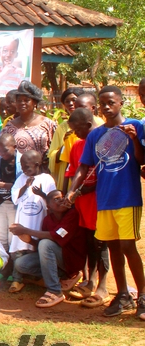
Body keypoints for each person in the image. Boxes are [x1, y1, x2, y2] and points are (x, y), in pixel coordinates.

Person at [67, 86, 145, 319]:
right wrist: (73, 190)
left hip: (127, 197)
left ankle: (142, 296)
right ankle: (122, 295)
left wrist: (134, 139)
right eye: (103, 104)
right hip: (105, 199)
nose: (107, 107)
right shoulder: (95, 135)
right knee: (112, 248)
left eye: (111, 102)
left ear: (121, 103)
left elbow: (142, 160)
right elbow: (84, 166)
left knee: (128, 247)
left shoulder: (136, 126)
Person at [63, 108, 109, 307]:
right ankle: (90, 280)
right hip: (83, 206)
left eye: (77, 130)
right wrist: (70, 194)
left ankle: (103, 286)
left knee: (102, 243)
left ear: (88, 126)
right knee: (89, 242)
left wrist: (80, 192)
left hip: (100, 203)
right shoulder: (78, 146)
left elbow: (104, 178)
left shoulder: (106, 143)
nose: (75, 134)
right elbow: (75, 173)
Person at [10, 190, 86, 308]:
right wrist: (29, 240)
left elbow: (57, 235)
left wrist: (26, 230)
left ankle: (55, 291)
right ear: (48, 205)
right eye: (56, 198)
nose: (61, 200)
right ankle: (62, 278)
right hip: (57, 259)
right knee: (20, 264)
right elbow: (41, 247)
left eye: (63, 197)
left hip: (71, 259)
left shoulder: (72, 215)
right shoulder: (47, 220)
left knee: (46, 243)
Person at [1, 81, 57, 161]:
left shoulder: (48, 124)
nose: (22, 103)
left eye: (26, 100)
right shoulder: (8, 127)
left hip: (42, 170)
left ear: (34, 102)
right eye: (19, 100)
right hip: (17, 171)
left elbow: (56, 149)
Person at [47, 87, 81, 191]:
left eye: (74, 100)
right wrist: (65, 145)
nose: (71, 103)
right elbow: (52, 155)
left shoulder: (97, 123)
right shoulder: (62, 127)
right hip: (67, 176)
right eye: (67, 101)